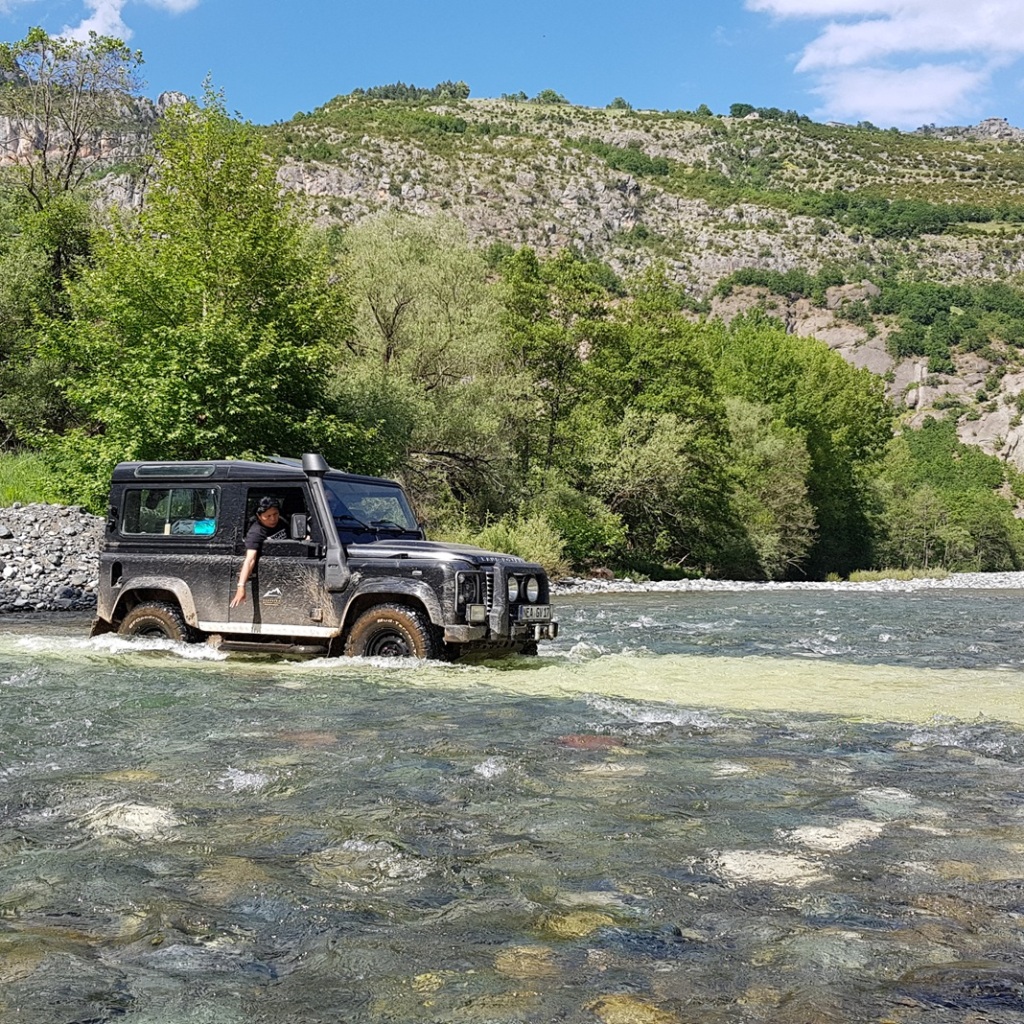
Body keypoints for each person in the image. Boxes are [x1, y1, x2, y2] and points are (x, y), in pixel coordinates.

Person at [230, 496, 288, 607]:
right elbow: (250, 559)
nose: (273, 519)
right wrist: (241, 586)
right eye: (268, 516)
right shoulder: (256, 532)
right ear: (259, 516)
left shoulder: (282, 522)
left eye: (275, 514)